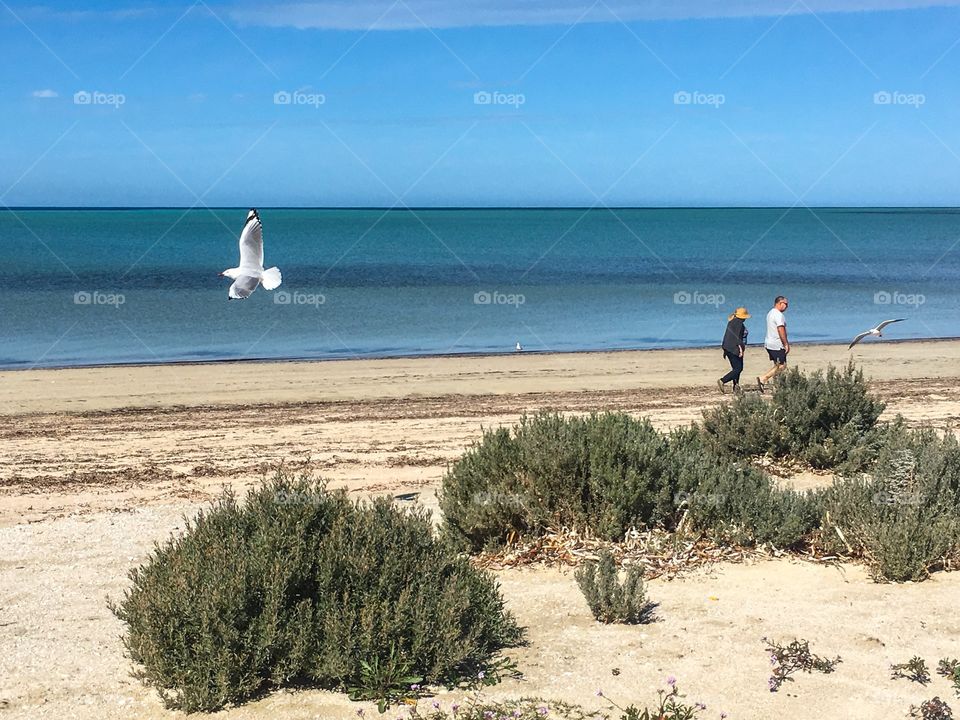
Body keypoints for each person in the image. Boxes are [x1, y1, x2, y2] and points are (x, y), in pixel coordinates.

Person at [757, 296, 789, 393]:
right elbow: (780, 329)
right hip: (776, 344)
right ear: (779, 303)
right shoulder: (778, 315)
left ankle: (776, 387)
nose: (787, 306)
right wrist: (786, 343)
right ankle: (763, 378)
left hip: (769, 343)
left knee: (777, 365)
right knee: (782, 366)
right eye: (785, 304)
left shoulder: (770, 313)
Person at [718, 307, 750, 393]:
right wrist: (740, 349)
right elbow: (737, 337)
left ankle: (736, 386)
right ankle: (723, 380)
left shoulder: (732, 322)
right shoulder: (738, 323)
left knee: (736, 368)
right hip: (734, 348)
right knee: (738, 368)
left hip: (728, 347)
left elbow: (729, 336)